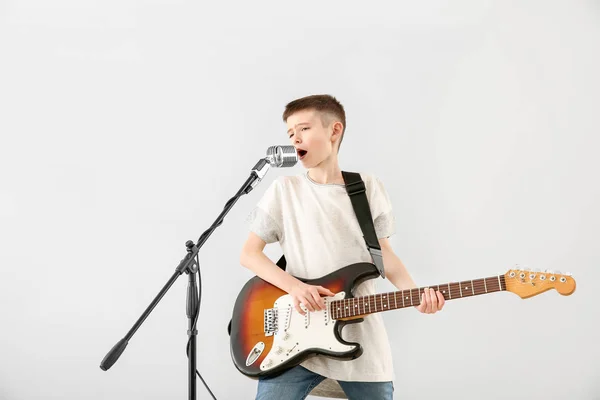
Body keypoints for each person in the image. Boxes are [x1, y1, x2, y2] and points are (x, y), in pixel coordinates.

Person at [240, 94, 445, 400]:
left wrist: (415, 294)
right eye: (290, 133)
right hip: (293, 335)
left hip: (361, 339)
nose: (295, 138)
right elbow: (249, 254)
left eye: (304, 129)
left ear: (334, 131)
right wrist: (295, 288)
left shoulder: (368, 187)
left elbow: (383, 254)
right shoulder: (285, 190)